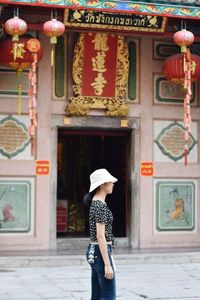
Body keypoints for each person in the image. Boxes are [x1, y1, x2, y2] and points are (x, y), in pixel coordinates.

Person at [84, 168, 118, 300]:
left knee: (97, 296)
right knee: (109, 296)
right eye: (110, 181)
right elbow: (100, 236)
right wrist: (108, 264)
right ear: (103, 184)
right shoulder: (99, 205)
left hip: (96, 251)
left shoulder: (97, 203)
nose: (113, 184)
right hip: (100, 251)